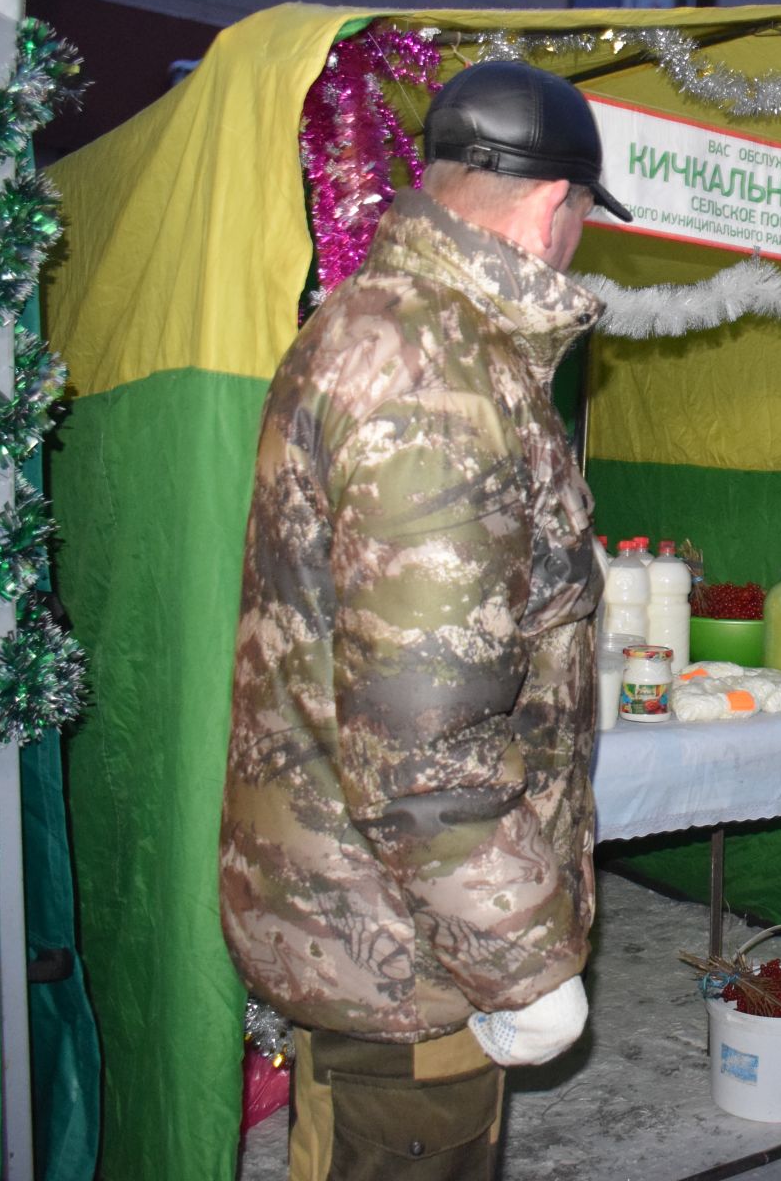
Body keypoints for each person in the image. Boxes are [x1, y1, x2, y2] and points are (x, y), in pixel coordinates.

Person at [218, 60, 633, 1180]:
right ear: (554, 206)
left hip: (371, 910)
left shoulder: (388, 329)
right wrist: (526, 961)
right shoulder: (436, 376)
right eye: (586, 216)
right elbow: (424, 742)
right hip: (406, 946)